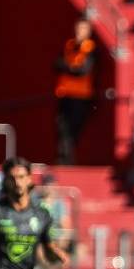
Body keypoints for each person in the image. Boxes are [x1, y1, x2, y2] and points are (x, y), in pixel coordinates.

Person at [54, 19, 98, 165]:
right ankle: (64, 161)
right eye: (78, 28)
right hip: (65, 94)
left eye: (83, 29)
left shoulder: (90, 47)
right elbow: (56, 64)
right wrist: (70, 67)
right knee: (62, 128)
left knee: (74, 130)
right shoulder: (69, 44)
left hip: (81, 97)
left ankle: (69, 161)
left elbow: (83, 71)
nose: (79, 32)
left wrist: (68, 67)